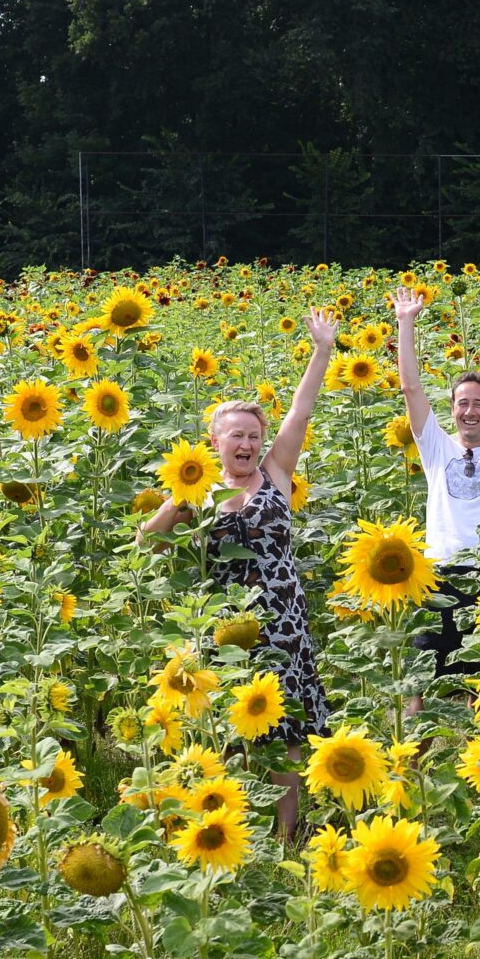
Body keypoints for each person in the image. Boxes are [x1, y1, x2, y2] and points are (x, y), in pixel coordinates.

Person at [140, 309, 337, 832]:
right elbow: (147, 545)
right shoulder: (199, 493)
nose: (246, 444)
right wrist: (176, 500)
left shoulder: (276, 473)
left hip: (284, 624)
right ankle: (234, 834)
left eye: (253, 435)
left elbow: (301, 409)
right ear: (215, 442)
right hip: (228, 632)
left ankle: (287, 836)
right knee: (234, 734)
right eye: (236, 437)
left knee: (288, 735)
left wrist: (321, 349)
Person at [395, 284, 480, 683]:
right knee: (424, 671)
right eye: (462, 403)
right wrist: (406, 322)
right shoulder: (436, 447)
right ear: (452, 409)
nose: (470, 411)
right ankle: (416, 746)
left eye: (479, 404)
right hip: (442, 571)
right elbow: (410, 388)